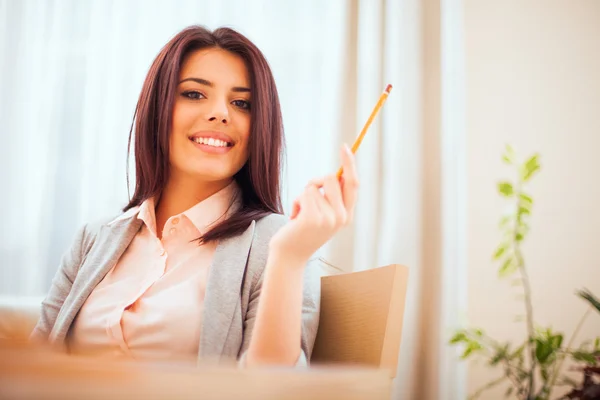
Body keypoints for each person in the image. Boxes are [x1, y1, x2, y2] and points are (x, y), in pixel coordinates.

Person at [30, 25, 359, 367]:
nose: (221, 113)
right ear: (157, 109)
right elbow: (34, 368)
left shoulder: (280, 244)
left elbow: (271, 389)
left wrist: (289, 257)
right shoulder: (93, 239)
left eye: (242, 103)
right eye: (194, 94)